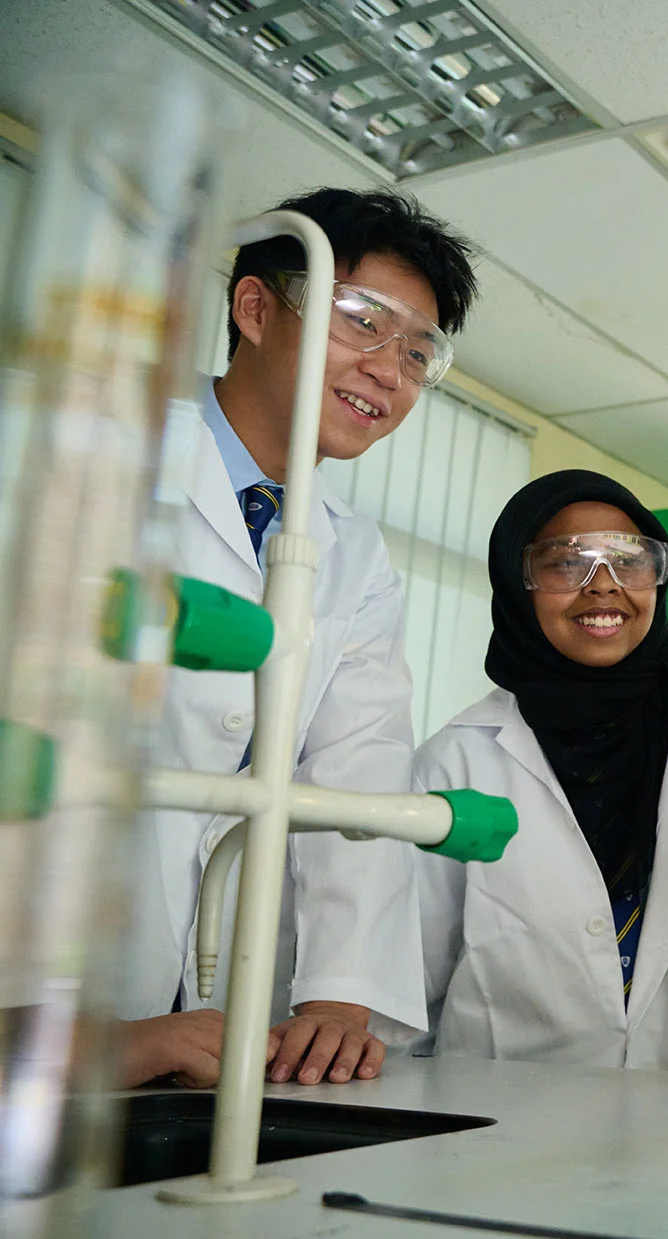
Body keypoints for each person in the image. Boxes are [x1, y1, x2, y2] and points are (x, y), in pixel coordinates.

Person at [117, 188, 478, 1089]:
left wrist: (339, 998)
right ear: (254, 310)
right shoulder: (88, 448)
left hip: (197, 1012)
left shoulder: (353, 554)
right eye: (364, 322)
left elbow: (357, 771)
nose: (390, 371)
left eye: (419, 350)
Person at [410, 472, 668, 1074]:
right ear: (516, 583)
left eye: (629, 560)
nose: (604, 588)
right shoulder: (457, 759)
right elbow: (410, 980)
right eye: (567, 564)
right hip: (503, 1119)